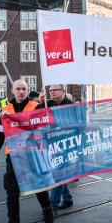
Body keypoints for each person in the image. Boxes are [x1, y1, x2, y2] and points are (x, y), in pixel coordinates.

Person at [0, 79, 54, 223]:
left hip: (33, 153)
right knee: (12, 192)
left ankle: (46, 208)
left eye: (24, 89)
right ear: (12, 91)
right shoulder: (4, 109)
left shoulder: (36, 107)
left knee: (39, 186)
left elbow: (45, 129)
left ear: (28, 90)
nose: (21, 92)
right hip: (13, 155)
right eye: (18, 89)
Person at [38, 84, 76, 213]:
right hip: (52, 144)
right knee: (58, 171)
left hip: (67, 144)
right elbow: (33, 115)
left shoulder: (72, 105)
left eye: (55, 90)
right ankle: (67, 198)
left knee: (59, 171)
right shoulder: (47, 104)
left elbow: (79, 125)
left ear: (63, 91)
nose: (52, 92)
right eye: (50, 91)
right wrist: (40, 101)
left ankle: (53, 203)